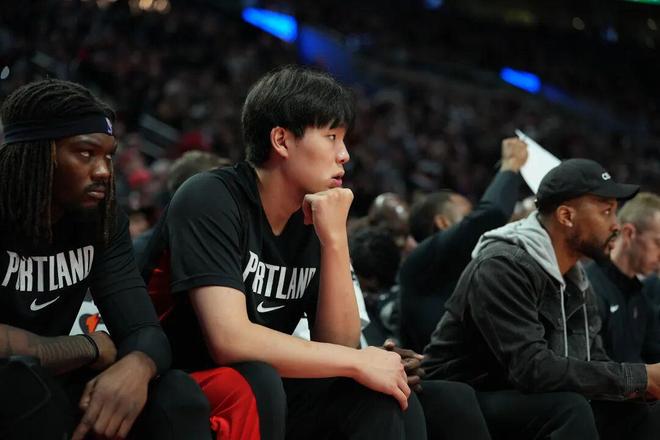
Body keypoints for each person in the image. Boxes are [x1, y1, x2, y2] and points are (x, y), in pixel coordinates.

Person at [0, 79, 211, 440]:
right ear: (36, 154)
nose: (104, 171)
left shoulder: (102, 222)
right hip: (17, 387)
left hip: (52, 377)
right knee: (24, 388)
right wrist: (88, 346)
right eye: (86, 153)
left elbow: (145, 330)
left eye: (108, 156)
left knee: (176, 393)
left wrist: (137, 365)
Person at [422, 158, 660, 439]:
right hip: (461, 401)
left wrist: (640, 387)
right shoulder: (503, 265)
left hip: (521, 397)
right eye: (606, 212)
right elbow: (531, 369)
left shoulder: (576, 279)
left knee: (635, 411)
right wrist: (640, 376)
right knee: (569, 409)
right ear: (566, 216)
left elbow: (591, 360)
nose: (616, 226)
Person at [399, 137, 528, 352]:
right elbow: (490, 214)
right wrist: (511, 164)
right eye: (469, 215)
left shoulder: (467, 264)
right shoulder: (420, 262)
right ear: (443, 222)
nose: (474, 221)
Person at [586, 192, 660, 363]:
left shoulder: (640, 297)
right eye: (658, 243)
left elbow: (654, 352)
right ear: (628, 233)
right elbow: (588, 368)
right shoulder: (589, 288)